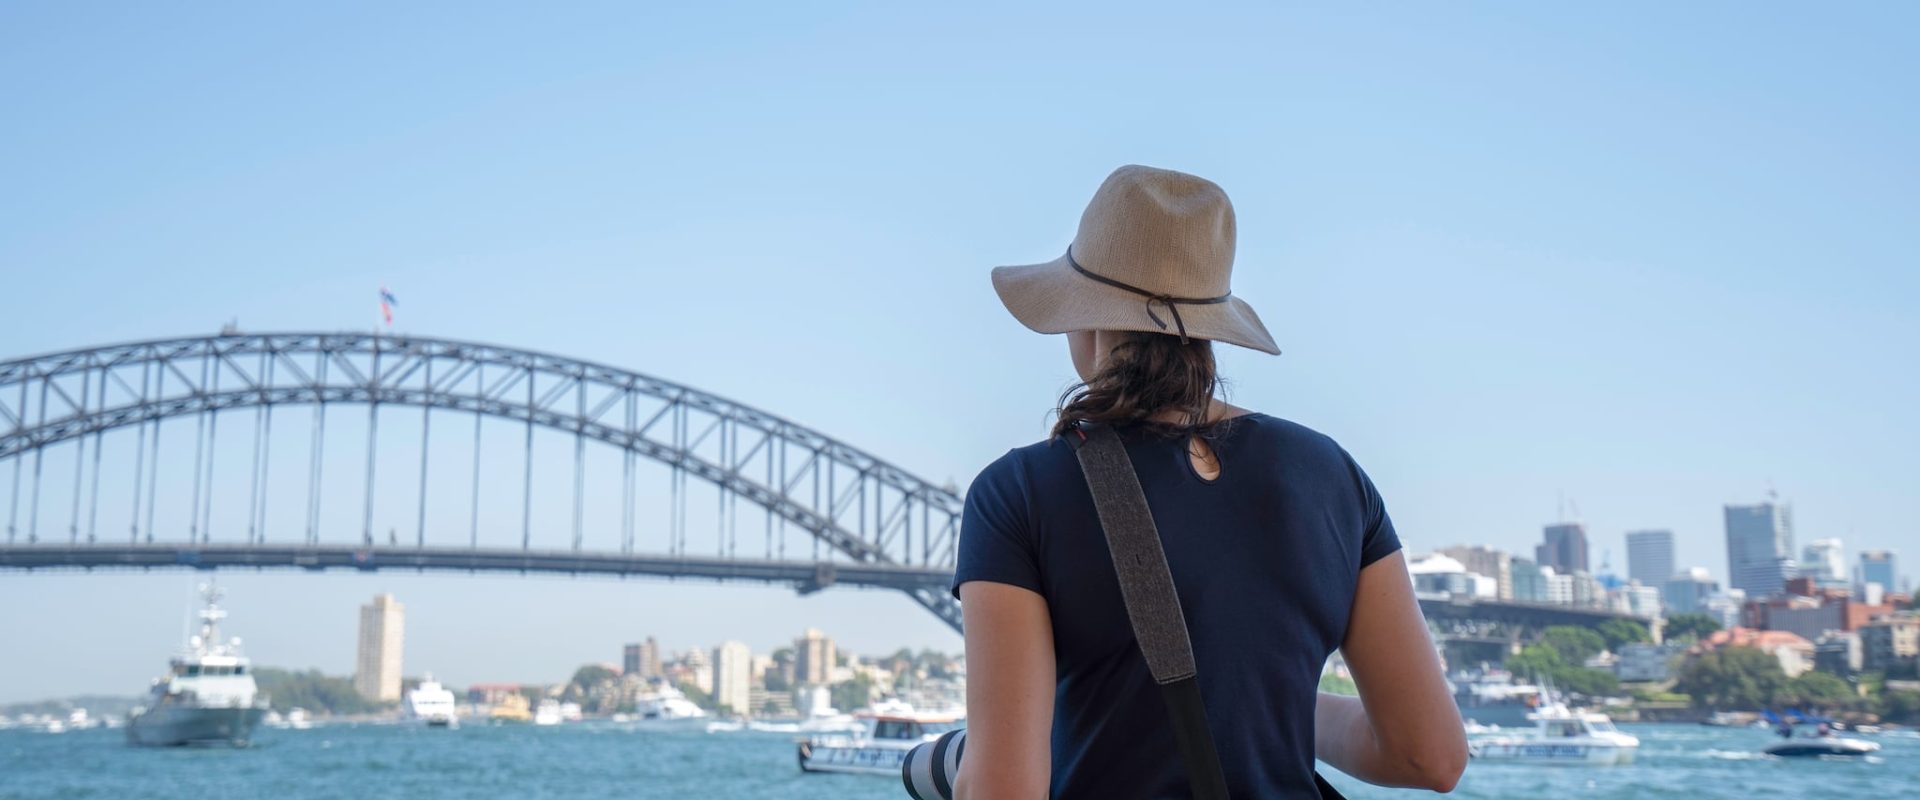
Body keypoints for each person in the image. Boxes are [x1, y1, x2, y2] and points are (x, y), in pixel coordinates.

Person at [951, 166, 1467, 798]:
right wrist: (1262, 707)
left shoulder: (1019, 492)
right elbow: (1431, 758)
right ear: (1213, 328)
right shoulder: (1332, 474)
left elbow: (1005, 791)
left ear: (1083, 320)